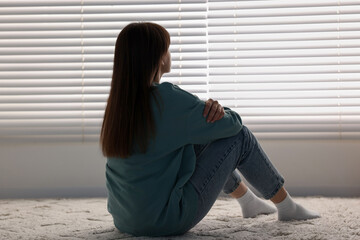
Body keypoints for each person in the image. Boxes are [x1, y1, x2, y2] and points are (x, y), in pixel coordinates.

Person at [100, 22, 320, 237]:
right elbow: (233, 125)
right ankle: (286, 205)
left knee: (195, 139)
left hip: (124, 219)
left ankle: (249, 202)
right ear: (157, 57)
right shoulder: (166, 99)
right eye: (166, 48)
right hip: (166, 221)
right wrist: (221, 109)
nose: (169, 53)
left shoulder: (119, 107)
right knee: (239, 137)